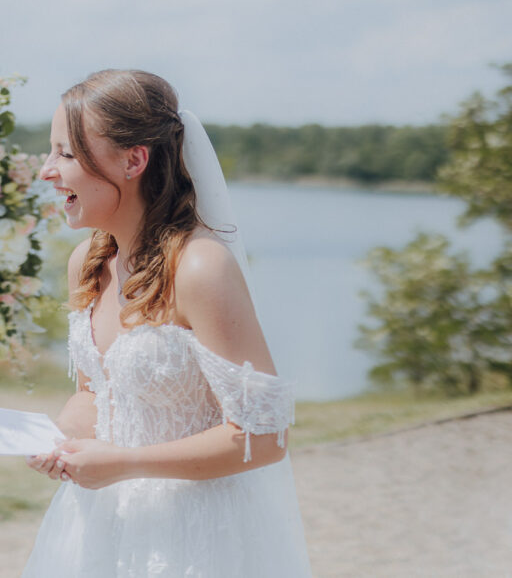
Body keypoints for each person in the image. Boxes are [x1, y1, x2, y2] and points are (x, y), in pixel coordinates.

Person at [24, 70, 311, 576]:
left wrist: (122, 463)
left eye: (66, 154)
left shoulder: (201, 268)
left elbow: (264, 438)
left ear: (133, 160)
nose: (46, 171)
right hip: (98, 526)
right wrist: (61, 441)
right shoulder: (86, 264)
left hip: (194, 538)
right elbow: (95, 395)